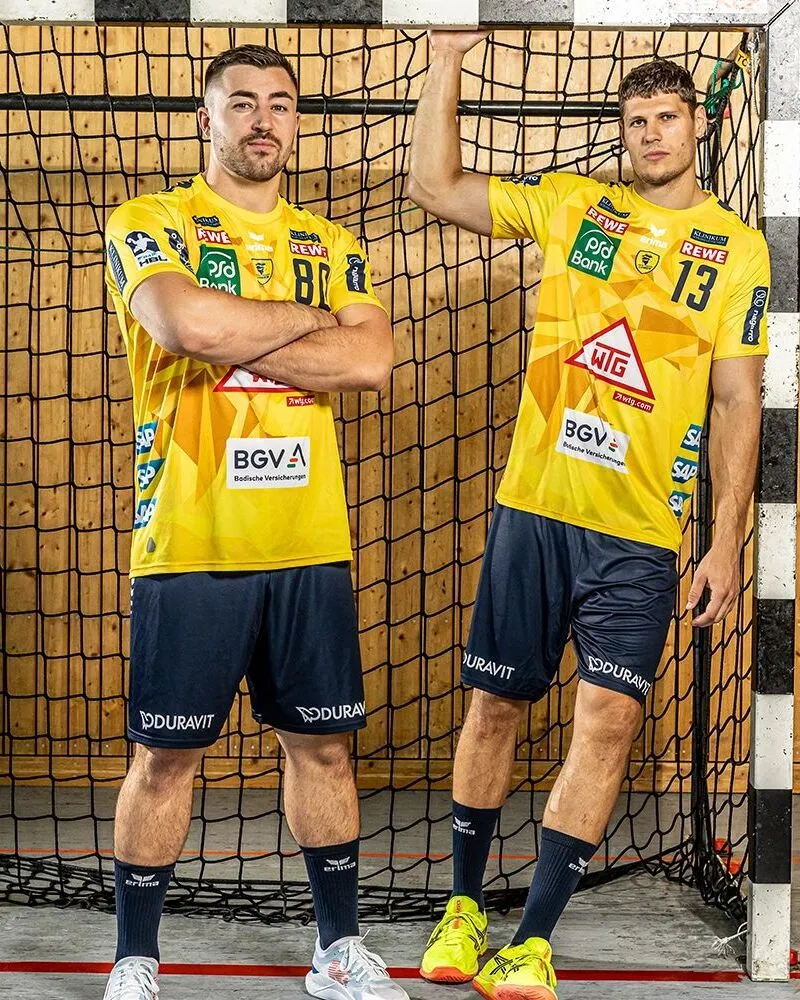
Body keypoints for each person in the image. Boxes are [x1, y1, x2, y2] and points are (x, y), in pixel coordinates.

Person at [408, 31, 769, 1000]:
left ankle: (530, 940)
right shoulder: (575, 206)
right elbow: (434, 186)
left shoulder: (735, 251)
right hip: (534, 508)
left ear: (698, 123)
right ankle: (460, 908)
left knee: (606, 719)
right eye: (634, 121)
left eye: (665, 117)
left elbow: (737, 402)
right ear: (622, 134)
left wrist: (723, 540)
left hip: (643, 535)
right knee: (494, 706)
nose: (650, 133)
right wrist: (446, 57)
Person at [102, 43, 407, 1000]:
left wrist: (247, 324)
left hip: (310, 542)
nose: (262, 119)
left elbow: (370, 362)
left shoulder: (335, 240)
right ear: (208, 119)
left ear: (297, 119)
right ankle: (135, 959)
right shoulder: (150, 220)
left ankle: (336, 952)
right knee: (165, 758)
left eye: (279, 103)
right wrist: (306, 321)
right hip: (191, 538)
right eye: (242, 103)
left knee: (322, 748)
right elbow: (184, 328)